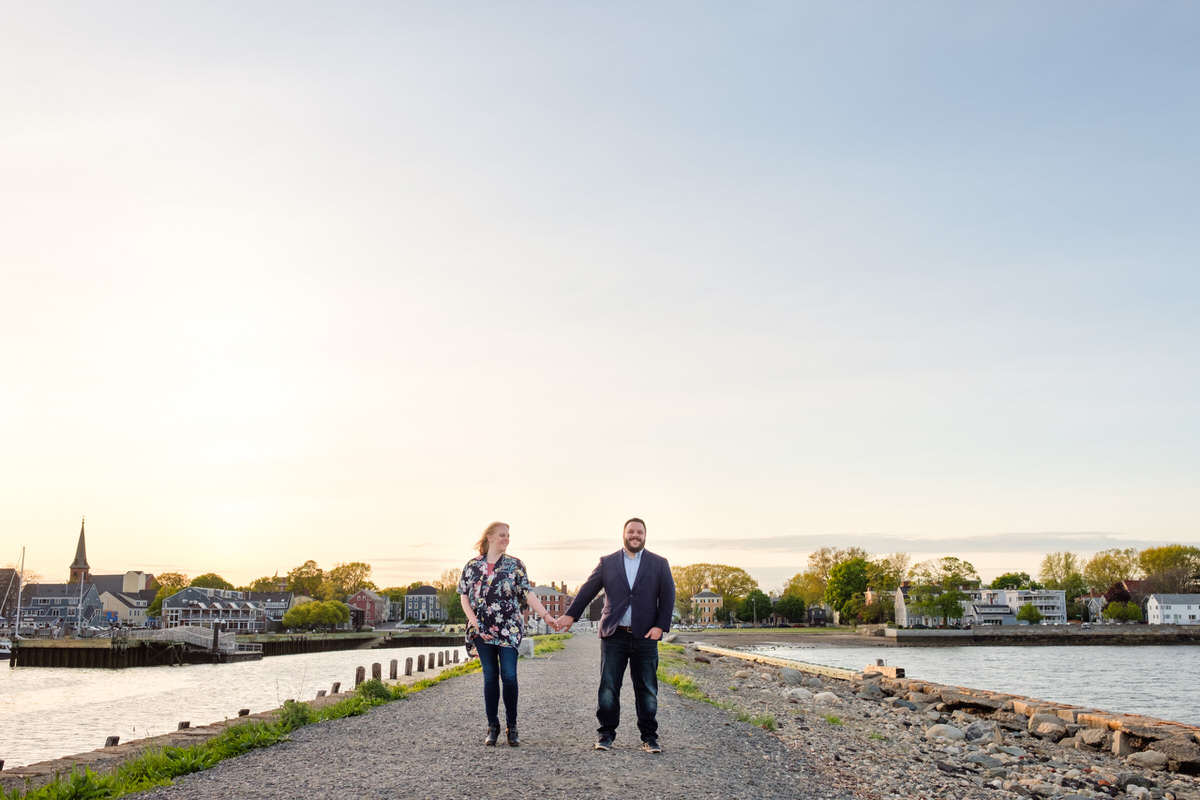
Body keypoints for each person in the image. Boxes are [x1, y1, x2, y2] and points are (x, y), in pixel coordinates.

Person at [556, 517, 675, 753]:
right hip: (614, 635)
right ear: (624, 534)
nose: (635, 536)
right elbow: (588, 590)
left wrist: (660, 627)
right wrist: (570, 616)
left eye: (639, 532)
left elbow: (668, 596)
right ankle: (605, 735)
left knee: (648, 689)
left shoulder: (659, 563)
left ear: (644, 535)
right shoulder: (607, 562)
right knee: (609, 687)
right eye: (631, 531)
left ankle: (650, 738)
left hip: (646, 637)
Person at [458, 521, 558, 747]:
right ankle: (492, 726)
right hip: (481, 630)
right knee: (490, 677)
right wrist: (475, 623)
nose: (507, 538)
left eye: (508, 535)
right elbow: (464, 596)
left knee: (510, 676)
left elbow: (528, 593)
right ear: (490, 537)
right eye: (502, 535)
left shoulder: (515, 565)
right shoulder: (472, 566)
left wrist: (546, 616)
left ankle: (512, 726)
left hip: (508, 629)